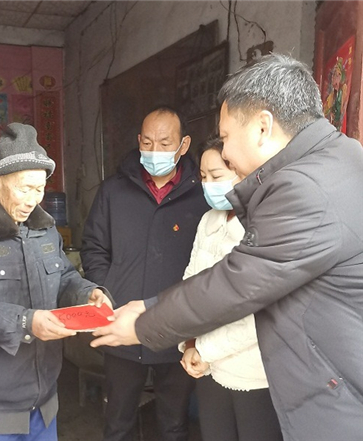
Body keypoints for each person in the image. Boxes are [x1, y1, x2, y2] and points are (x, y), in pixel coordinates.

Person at [90, 53, 363, 440]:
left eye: (227, 137)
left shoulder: (304, 187)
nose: (227, 152)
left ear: (263, 127)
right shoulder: (343, 158)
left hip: (335, 397)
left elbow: (238, 283)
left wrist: (144, 320)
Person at [0, 122, 113, 441]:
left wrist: (87, 292)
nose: (33, 200)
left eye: (39, 189)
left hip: (45, 397)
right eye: (25, 188)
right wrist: (25, 322)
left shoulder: (44, 228)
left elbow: (64, 276)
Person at [81, 106, 209, 441]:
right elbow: (94, 247)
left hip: (176, 328)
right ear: (138, 141)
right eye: (148, 143)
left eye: (165, 144)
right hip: (121, 326)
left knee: (173, 423)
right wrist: (107, 289)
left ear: (183, 145)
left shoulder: (203, 195)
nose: (155, 151)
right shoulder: (114, 191)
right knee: (118, 421)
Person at [179, 137, 282, 441]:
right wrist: (188, 343)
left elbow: (260, 312)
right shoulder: (208, 220)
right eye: (203, 177)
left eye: (217, 176)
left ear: (243, 173)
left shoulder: (264, 225)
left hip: (253, 373)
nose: (208, 185)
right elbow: (190, 282)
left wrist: (205, 350)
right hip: (206, 367)